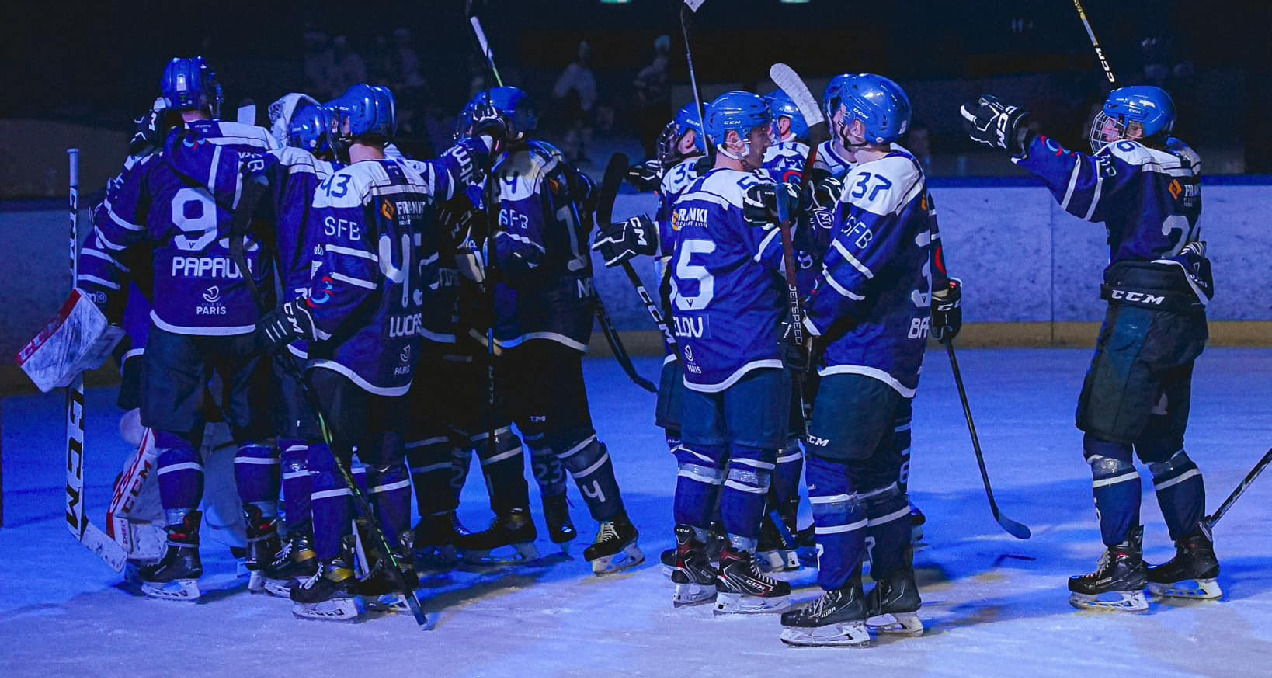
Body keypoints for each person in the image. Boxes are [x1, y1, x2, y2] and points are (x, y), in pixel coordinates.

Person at [961, 85, 1215, 611]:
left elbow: (1087, 193)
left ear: (1137, 131)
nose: (1105, 129)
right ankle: (1194, 551)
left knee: (1106, 439)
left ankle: (1122, 565)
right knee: (1161, 442)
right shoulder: (1182, 155)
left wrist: (1022, 139)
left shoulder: (1133, 156)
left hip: (1140, 323)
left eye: (1116, 121)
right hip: (1180, 320)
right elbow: (1127, 180)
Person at [256, 84, 501, 620]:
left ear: (346, 126)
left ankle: (334, 575)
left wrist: (302, 318)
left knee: (330, 461)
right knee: (388, 460)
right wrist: (489, 134)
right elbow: (456, 166)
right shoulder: (413, 173)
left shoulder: (346, 183)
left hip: (351, 352)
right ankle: (396, 567)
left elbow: (349, 278)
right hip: (400, 349)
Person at [75, 57, 280, 601]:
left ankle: (183, 559)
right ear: (213, 94)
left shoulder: (152, 157)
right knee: (255, 432)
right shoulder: (256, 146)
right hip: (245, 315)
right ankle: (265, 551)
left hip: (177, 320)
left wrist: (88, 304)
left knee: (175, 436)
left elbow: (110, 238)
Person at [779, 73, 933, 647]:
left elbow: (851, 263)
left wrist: (810, 324)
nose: (837, 118)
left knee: (829, 465)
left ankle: (842, 597)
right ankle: (895, 592)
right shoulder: (890, 171)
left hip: (865, 347)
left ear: (861, 123)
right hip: (891, 349)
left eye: (845, 112)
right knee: (876, 475)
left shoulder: (884, 175)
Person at [482, 86, 644, 576]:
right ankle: (535, 516)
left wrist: (477, 253)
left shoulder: (519, 168)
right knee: (516, 418)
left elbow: (524, 255)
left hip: (541, 313)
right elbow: (590, 198)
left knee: (561, 423)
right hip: (558, 310)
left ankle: (616, 526)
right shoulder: (552, 157)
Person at [666, 90, 794, 613]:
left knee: (699, 460)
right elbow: (786, 264)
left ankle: (691, 567)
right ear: (737, 139)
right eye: (762, 132)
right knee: (751, 460)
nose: (769, 140)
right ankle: (738, 568)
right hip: (748, 340)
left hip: (696, 343)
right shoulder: (750, 190)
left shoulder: (692, 192)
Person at [596, 103, 710, 576]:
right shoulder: (694, 174)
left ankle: (716, 531)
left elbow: (680, 227)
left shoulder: (688, 178)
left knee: (688, 429)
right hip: (705, 322)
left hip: (697, 326)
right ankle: (757, 527)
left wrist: (643, 234)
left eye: (684, 135)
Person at [252, 94, 341, 597]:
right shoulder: (351, 173)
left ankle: (310, 544)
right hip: (350, 319)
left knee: (299, 441)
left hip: (300, 316)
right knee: (346, 441)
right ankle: (355, 541)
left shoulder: (288, 166)